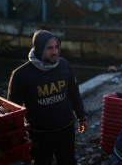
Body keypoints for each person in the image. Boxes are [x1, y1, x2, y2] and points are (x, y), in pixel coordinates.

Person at [7, 30, 88, 165]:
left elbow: (74, 93)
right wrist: (17, 136)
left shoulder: (64, 65)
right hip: (39, 134)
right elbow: (13, 109)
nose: (55, 52)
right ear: (39, 49)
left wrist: (81, 117)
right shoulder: (20, 75)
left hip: (66, 129)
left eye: (56, 47)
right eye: (50, 48)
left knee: (68, 161)